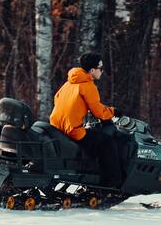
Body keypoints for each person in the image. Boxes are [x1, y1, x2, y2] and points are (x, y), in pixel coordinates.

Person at [50, 52, 123, 187]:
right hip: (73, 130)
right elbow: (98, 111)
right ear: (92, 70)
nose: (102, 71)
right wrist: (113, 112)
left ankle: (93, 176)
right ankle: (113, 184)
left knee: (95, 139)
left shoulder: (69, 82)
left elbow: (57, 99)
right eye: (100, 68)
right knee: (107, 143)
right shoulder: (88, 86)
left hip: (57, 128)